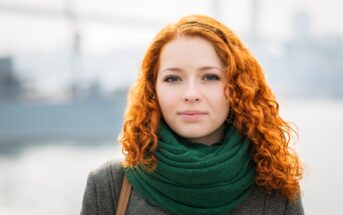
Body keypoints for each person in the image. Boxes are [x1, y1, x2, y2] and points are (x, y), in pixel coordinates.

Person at [80, 14, 304, 215]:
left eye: (210, 77)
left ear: (238, 87)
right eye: (173, 79)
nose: (191, 94)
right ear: (152, 90)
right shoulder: (109, 185)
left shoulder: (276, 190)